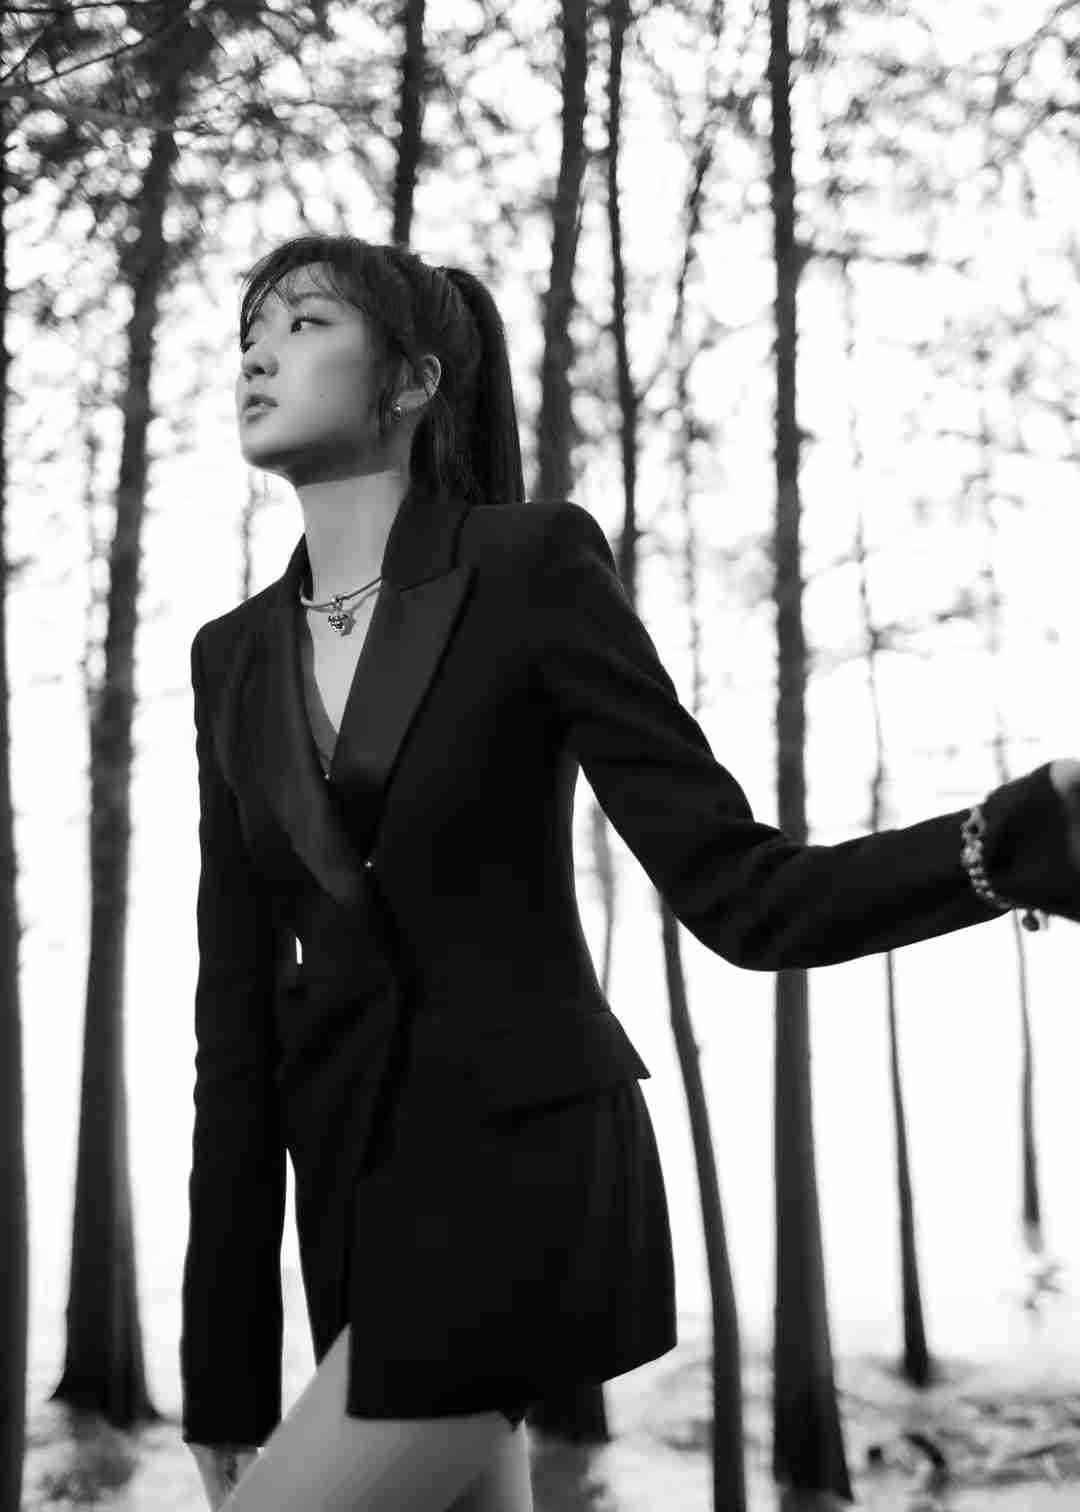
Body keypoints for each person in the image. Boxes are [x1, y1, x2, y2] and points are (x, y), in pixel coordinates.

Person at [180, 233, 1080, 1512]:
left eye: (305, 323)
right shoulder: (230, 658)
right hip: (355, 1213)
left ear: (415, 381)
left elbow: (744, 893)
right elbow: (235, 1029)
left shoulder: (528, 566)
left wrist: (1014, 840)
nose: (258, 355)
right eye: (250, 332)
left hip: (524, 1172)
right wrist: (221, 1372)